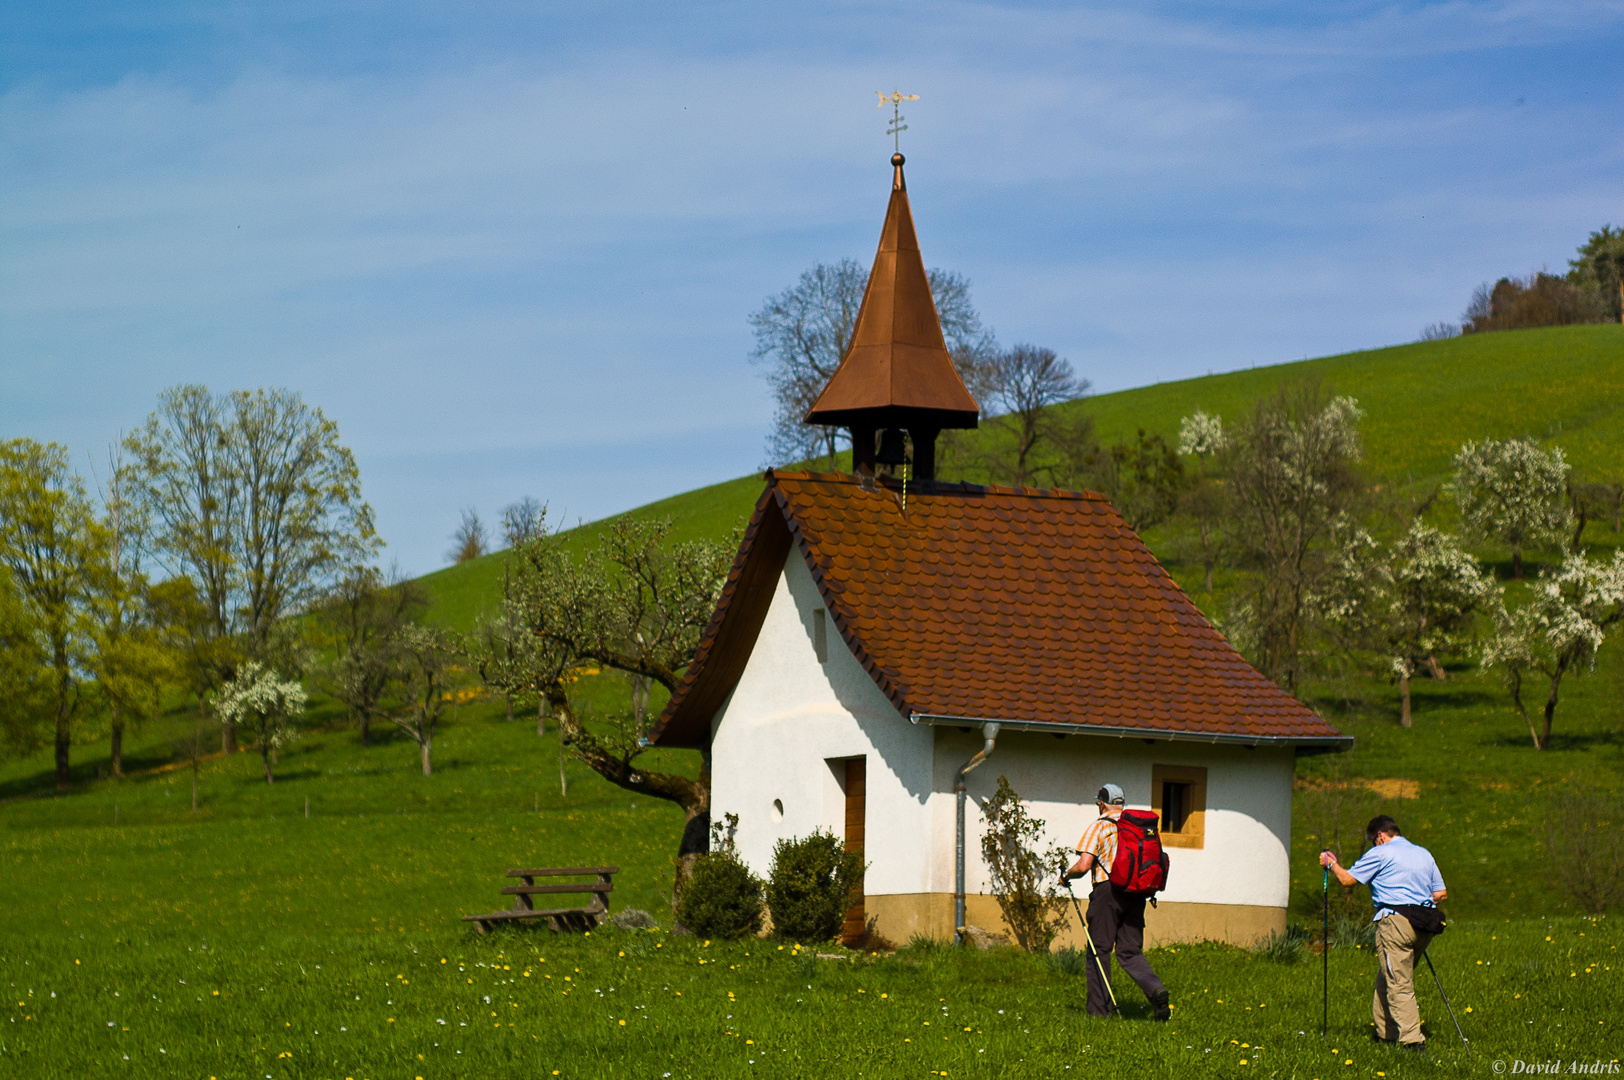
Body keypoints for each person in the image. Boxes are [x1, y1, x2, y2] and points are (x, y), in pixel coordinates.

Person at [1320, 815, 1447, 1052]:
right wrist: (1415, 903)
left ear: (1380, 836)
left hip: (1395, 923)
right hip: (1425, 924)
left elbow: (1348, 880)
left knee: (1399, 981)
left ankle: (1412, 1041)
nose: (1373, 845)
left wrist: (1331, 864)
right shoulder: (1423, 853)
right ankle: (1385, 1033)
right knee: (1386, 976)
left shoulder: (1381, 852)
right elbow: (1440, 893)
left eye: (1372, 841)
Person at [1063, 783, 1170, 1021]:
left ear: (1101, 803)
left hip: (1107, 892)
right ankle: (1155, 990)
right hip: (1136, 893)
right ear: (1121, 802)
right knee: (1130, 951)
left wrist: (1065, 876)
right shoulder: (1136, 827)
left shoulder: (1100, 826)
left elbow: (1083, 866)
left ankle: (1100, 1014)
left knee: (1098, 950)